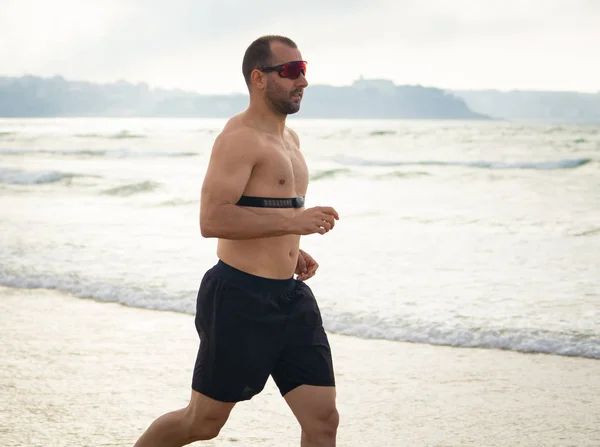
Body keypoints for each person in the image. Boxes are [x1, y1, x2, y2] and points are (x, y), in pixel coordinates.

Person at [134, 35, 340, 447]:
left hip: (291, 298)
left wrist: (292, 246)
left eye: (305, 70)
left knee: (323, 420)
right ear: (259, 79)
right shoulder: (239, 137)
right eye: (291, 71)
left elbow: (265, 212)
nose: (302, 81)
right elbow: (213, 218)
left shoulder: (291, 141)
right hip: (239, 298)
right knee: (202, 423)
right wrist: (295, 220)